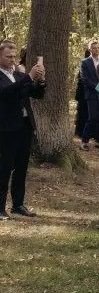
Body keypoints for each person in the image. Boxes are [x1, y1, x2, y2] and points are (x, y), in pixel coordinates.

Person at [0, 41, 45, 220]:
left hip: (25, 126)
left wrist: (40, 81)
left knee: (21, 167)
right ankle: (0, 207)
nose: (12, 59)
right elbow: (6, 93)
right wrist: (28, 76)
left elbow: (36, 94)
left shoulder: (18, 75)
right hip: (6, 128)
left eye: (13, 56)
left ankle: (18, 204)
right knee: (4, 167)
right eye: (8, 56)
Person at [79, 40, 99, 152]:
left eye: (98, 47)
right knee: (92, 117)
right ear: (90, 50)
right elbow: (85, 80)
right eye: (94, 48)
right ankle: (84, 141)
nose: (97, 50)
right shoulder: (85, 62)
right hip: (92, 94)